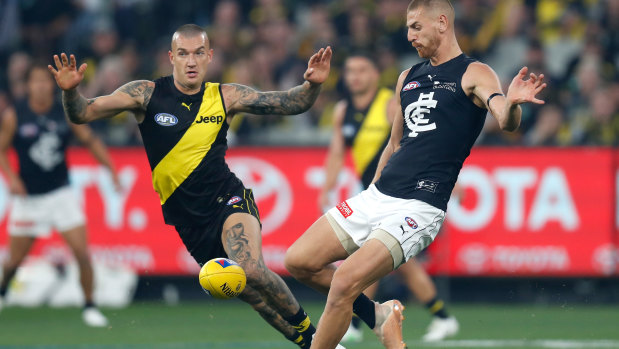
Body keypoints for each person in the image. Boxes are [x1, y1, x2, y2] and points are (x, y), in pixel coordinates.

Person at [48, 24, 334, 348]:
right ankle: (307, 341)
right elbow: (83, 112)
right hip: (188, 220)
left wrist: (311, 86)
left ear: (210, 56)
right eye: (183, 54)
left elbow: (290, 102)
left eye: (199, 53)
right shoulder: (145, 94)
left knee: (252, 269)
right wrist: (70, 91)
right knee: (252, 295)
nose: (191, 61)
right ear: (171, 58)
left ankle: (319, 338)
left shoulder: (225, 95)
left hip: (228, 198)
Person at [285, 0, 547, 348]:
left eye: (416, 27)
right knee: (298, 261)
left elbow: (505, 120)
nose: (409, 36)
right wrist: (373, 191)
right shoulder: (407, 78)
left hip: (419, 207)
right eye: (408, 28)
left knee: (345, 281)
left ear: (441, 22)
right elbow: (394, 144)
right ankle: (379, 316)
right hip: (380, 196)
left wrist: (512, 104)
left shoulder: (474, 72)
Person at [319, 53, 458, 344]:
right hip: (372, 195)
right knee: (374, 262)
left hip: (401, 193)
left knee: (384, 262)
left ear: (374, 75)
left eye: (362, 69)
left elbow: (419, 141)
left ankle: (439, 317)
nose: (354, 76)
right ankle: (367, 320)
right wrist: (327, 187)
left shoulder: (389, 104)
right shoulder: (343, 110)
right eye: (350, 71)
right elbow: (336, 153)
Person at [0, 63, 120, 327]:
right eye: (36, 81)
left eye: (45, 81)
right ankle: (2, 290)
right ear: (28, 86)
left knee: (81, 253)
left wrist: (111, 169)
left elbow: (89, 139)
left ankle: (89, 306)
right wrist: (12, 177)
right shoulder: (15, 115)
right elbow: (2, 149)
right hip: (29, 199)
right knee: (13, 261)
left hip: (61, 195)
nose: (41, 86)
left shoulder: (63, 112)